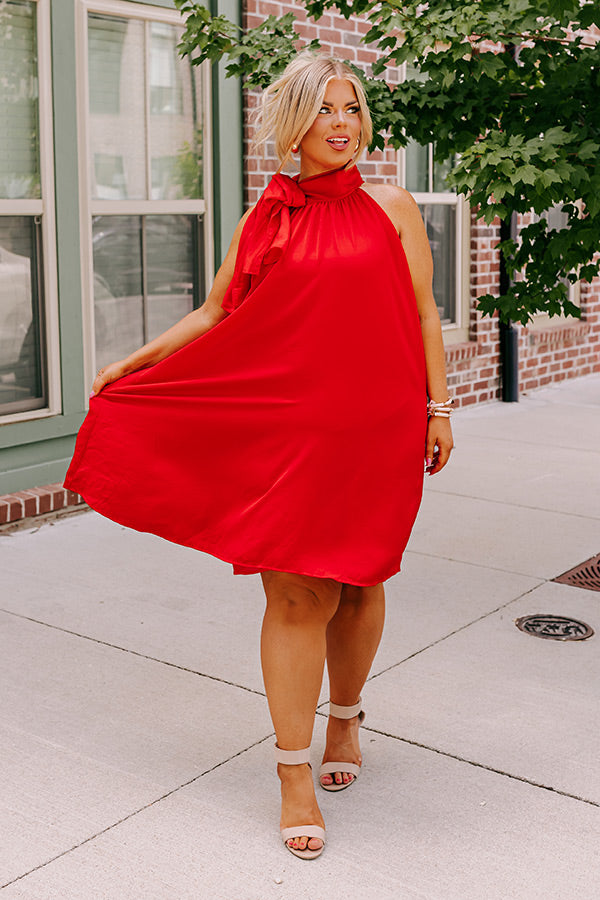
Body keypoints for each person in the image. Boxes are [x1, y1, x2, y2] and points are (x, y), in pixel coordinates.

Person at [64, 52, 454, 861]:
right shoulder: (264, 219)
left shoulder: (393, 206)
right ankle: (291, 773)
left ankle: (345, 717)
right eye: (324, 111)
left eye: (352, 109)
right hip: (290, 432)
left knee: (360, 580)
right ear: (293, 124)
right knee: (294, 594)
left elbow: (422, 311)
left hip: (377, 427)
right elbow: (215, 313)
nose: (342, 124)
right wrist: (137, 361)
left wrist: (439, 406)